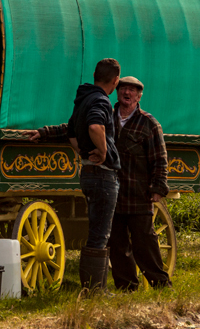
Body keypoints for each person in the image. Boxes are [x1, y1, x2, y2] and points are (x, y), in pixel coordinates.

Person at [30, 58, 121, 290]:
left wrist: (80, 151)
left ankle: (93, 287)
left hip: (87, 172)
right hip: (102, 174)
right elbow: (95, 127)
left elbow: (71, 130)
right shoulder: (101, 100)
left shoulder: (84, 98)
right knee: (100, 233)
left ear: (94, 74)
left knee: (96, 229)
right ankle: (94, 290)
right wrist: (102, 151)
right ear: (116, 80)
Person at [108, 76, 171, 290]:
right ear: (117, 92)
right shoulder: (106, 116)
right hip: (112, 193)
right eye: (123, 89)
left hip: (138, 194)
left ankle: (161, 285)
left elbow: (160, 159)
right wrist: (43, 133)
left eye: (132, 91)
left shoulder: (149, 123)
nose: (127, 93)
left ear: (139, 96)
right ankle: (126, 288)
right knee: (117, 244)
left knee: (145, 243)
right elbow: (77, 127)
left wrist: (158, 188)